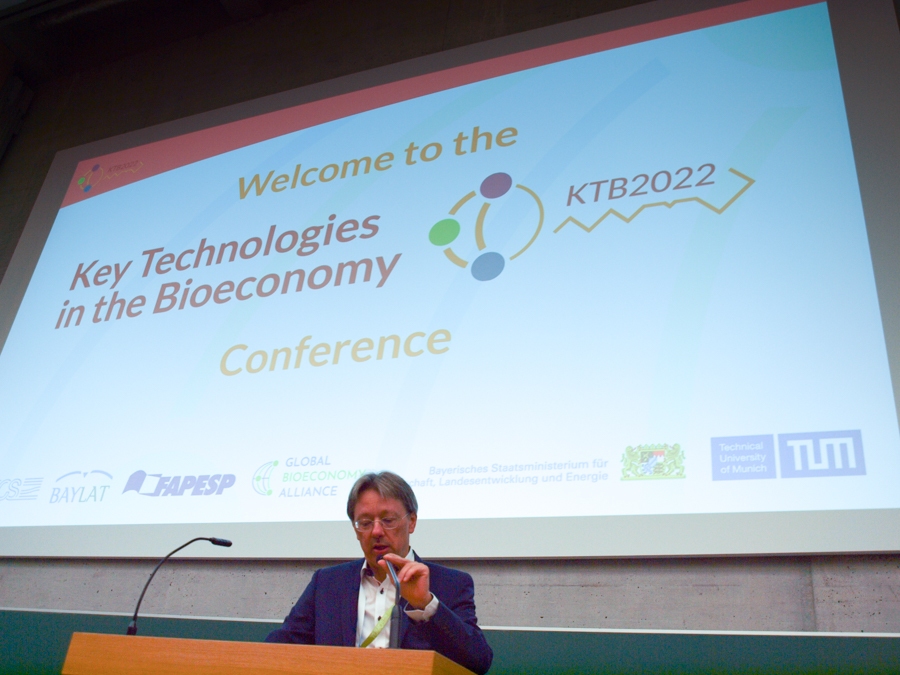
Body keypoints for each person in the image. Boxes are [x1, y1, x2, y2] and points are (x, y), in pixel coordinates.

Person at [265, 471, 493, 675]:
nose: (376, 531)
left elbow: (478, 662)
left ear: (411, 522)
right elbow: (282, 645)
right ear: (356, 530)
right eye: (365, 523)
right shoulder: (327, 583)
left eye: (388, 520)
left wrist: (426, 605)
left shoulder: (450, 584)